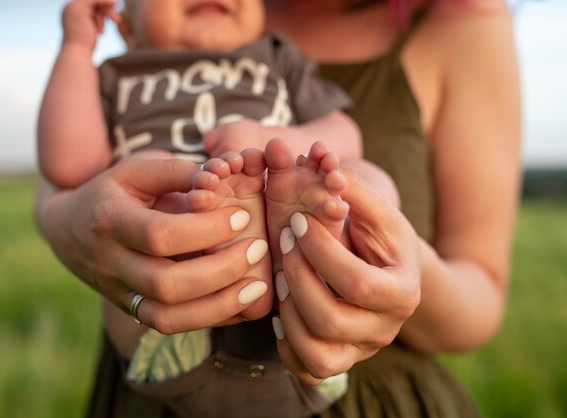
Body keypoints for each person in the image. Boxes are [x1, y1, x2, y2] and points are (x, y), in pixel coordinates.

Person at [35, 0, 521, 416]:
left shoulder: (272, 56)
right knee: (145, 175)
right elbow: (69, 166)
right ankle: (194, 312)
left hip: (303, 288)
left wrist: (278, 142)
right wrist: (76, 48)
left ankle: (319, 267)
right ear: (126, 24)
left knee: (368, 180)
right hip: (171, 288)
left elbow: (345, 131)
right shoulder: (118, 73)